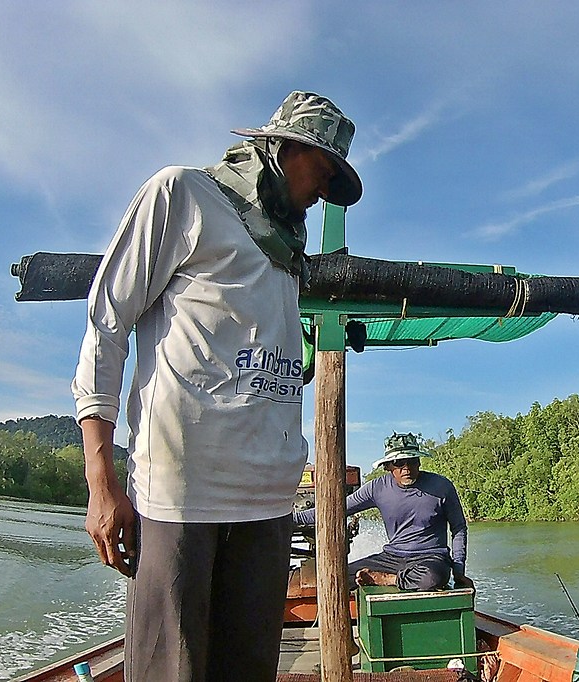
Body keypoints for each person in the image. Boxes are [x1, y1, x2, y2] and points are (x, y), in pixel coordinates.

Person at [72, 91, 362, 682]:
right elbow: (106, 323)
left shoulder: (288, 251)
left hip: (268, 505)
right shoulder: (184, 195)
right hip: (182, 497)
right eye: (323, 168)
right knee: (170, 671)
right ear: (282, 149)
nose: (325, 188)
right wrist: (101, 482)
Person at [295, 432, 472, 592]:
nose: (406, 468)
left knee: (432, 579)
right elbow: (334, 511)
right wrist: (288, 520)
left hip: (430, 558)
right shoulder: (377, 488)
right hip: (392, 558)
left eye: (411, 461)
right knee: (336, 577)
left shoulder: (442, 486)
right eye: (399, 463)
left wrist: (458, 570)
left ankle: (388, 580)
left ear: (419, 461)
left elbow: (459, 528)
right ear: (388, 466)